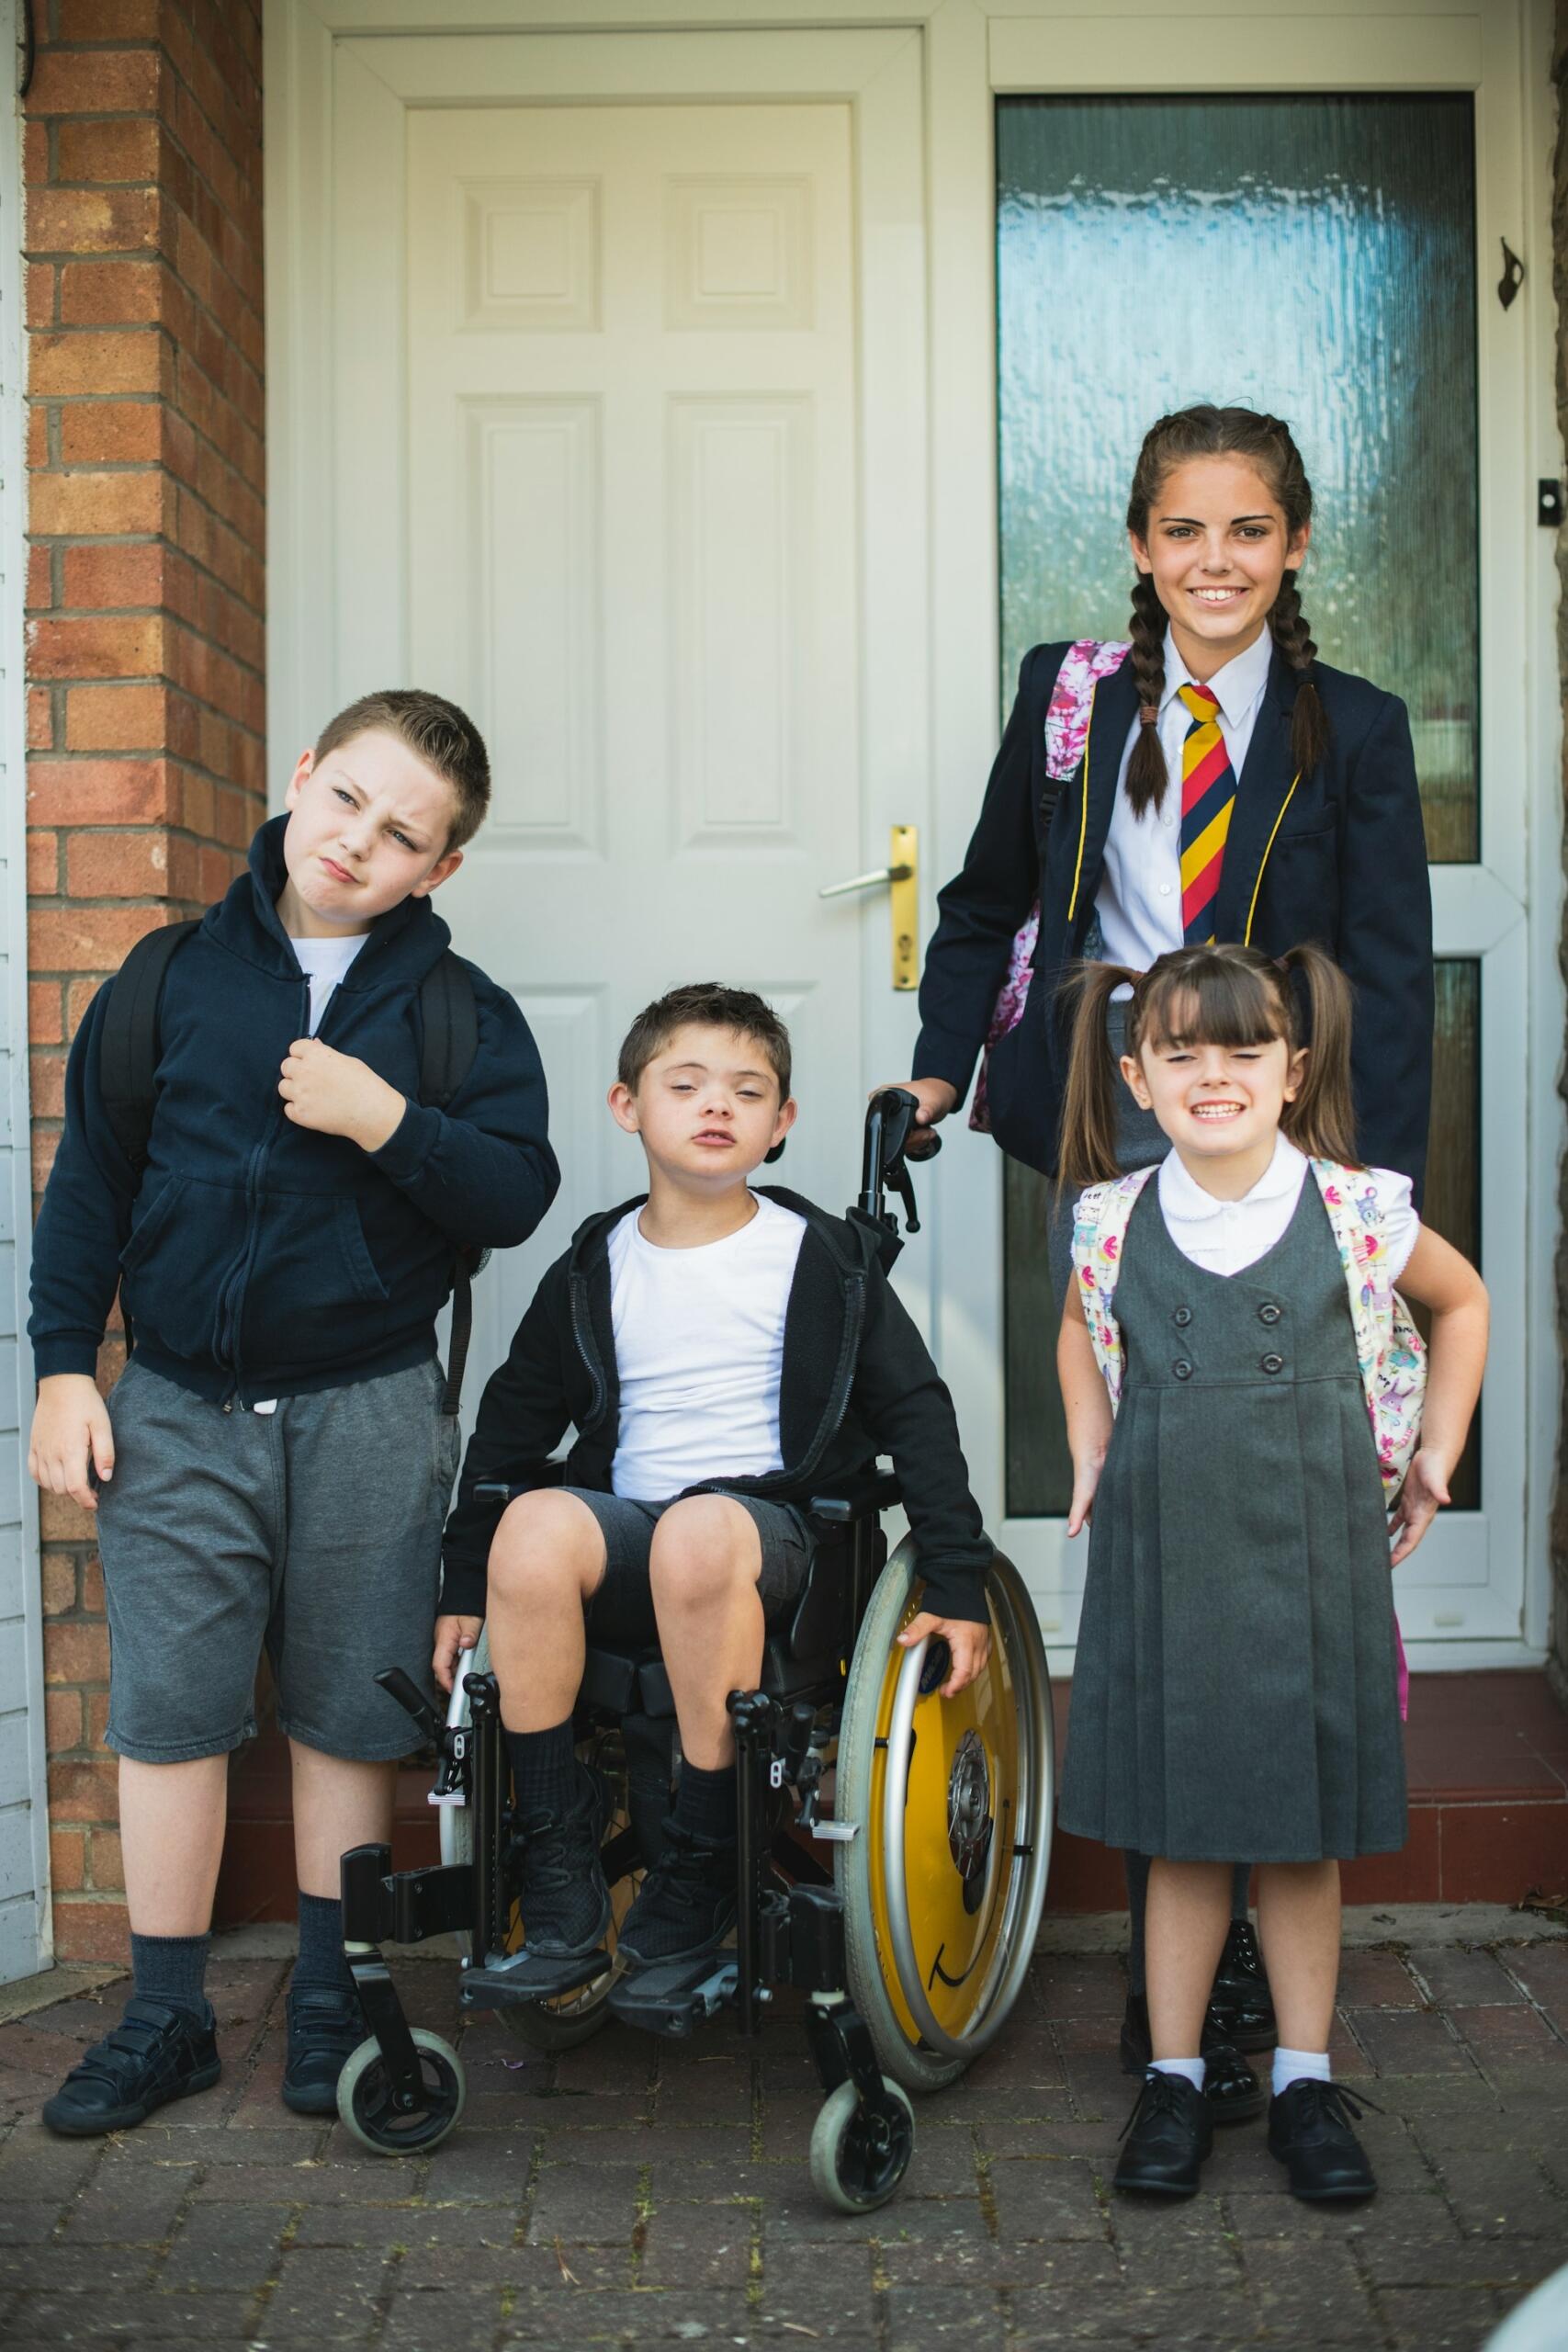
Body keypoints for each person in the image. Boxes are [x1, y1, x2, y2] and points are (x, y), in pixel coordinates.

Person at [887, 403, 1435, 2107]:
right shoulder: (1071, 698)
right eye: (1183, 533)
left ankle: (1265, 1979)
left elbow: (1394, 957)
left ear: (1290, 549)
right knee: (1153, 1506)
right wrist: (937, 1049)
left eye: (1248, 534)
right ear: (1138, 547)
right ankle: (1177, 1991)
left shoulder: (1351, 723)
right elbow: (988, 894)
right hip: (1110, 1092)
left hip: (1273, 1099)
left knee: (1274, 1512)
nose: (1214, 562)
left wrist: (1373, 1168)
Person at [28, 690, 559, 2135]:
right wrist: (65, 1365)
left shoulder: (457, 1014)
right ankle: (164, 2016)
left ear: (436, 872)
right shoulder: (168, 979)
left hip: (367, 1408)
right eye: (348, 804)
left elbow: (516, 1193)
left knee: (342, 1712)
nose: (357, 845)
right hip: (179, 1411)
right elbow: (92, 1190)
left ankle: (335, 1997)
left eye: (402, 838)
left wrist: (382, 1116)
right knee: (170, 1716)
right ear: (303, 778)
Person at [434, 982, 992, 1975]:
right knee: (530, 1525)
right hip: (633, 1527)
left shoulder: (822, 1255)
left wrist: (955, 1576)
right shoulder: (594, 1262)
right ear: (627, 1107)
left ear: (779, 1125)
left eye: (746, 1090)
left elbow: (917, 1410)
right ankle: (558, 1854)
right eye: (684, 1083)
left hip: (770, 1531)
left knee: (698, 1530)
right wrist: (458, 1582)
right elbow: (511, 1426)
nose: (714, 1105)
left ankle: (701, 1849)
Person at [1056, 941, 1486, 2202]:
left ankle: (1302, 2079)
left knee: (1298, 1842)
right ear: (1137, 1079)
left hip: (1310, 1556)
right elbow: (1082, 1334)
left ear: (1289, 1073)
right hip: (1163, 1548)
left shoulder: (1358, 1210)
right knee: (1185, 1839)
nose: (1211, 1073)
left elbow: (1457, 1306)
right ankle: (1175, 2083)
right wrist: (1086, 1441)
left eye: (1241, 1050)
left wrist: (1433, 1453)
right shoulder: (1108, 1218)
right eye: (1179, 1051)